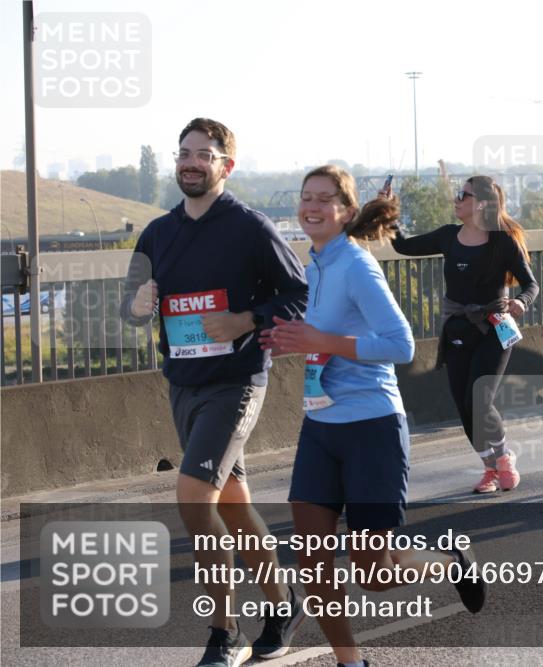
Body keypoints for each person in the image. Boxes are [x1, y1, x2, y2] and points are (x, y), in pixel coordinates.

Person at [260, 166, 486, 667]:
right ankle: (352, 663)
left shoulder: (357, 265)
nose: (312, 206)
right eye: (306, 198)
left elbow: (401, 345)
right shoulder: (314, 264)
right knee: (313, 564)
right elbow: (327, 337)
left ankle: (447, 560)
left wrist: (321, 341)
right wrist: (290, 339)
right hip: (320, 426)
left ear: (344, 211)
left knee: (376, 575)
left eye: (324, 199)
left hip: (371, 428)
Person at [120, 118, 309, 666]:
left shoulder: (249, 226)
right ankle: (282, 603)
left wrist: (246, 318)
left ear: (227, 165)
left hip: (236, 384)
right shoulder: (157, 232)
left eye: (204, 154)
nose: (191, 162)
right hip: (182, 384)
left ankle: (223, 632)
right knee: (233, 501)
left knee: (192, 497)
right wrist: (136, 306)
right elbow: (130, 308)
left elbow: (298, 294)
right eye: (184, 153)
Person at [390, 175, 539, 494]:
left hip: (494, 327)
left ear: (482, 203)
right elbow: (402, 245)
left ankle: (504, 458)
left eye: (463, 194)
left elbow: (530, 284)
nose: (456, 199)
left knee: (480, 398)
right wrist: (388, 213)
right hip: (457, 326)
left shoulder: (502, 241)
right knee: (463, 404)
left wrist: (521, 301)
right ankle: (490, 469)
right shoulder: (448, 236)